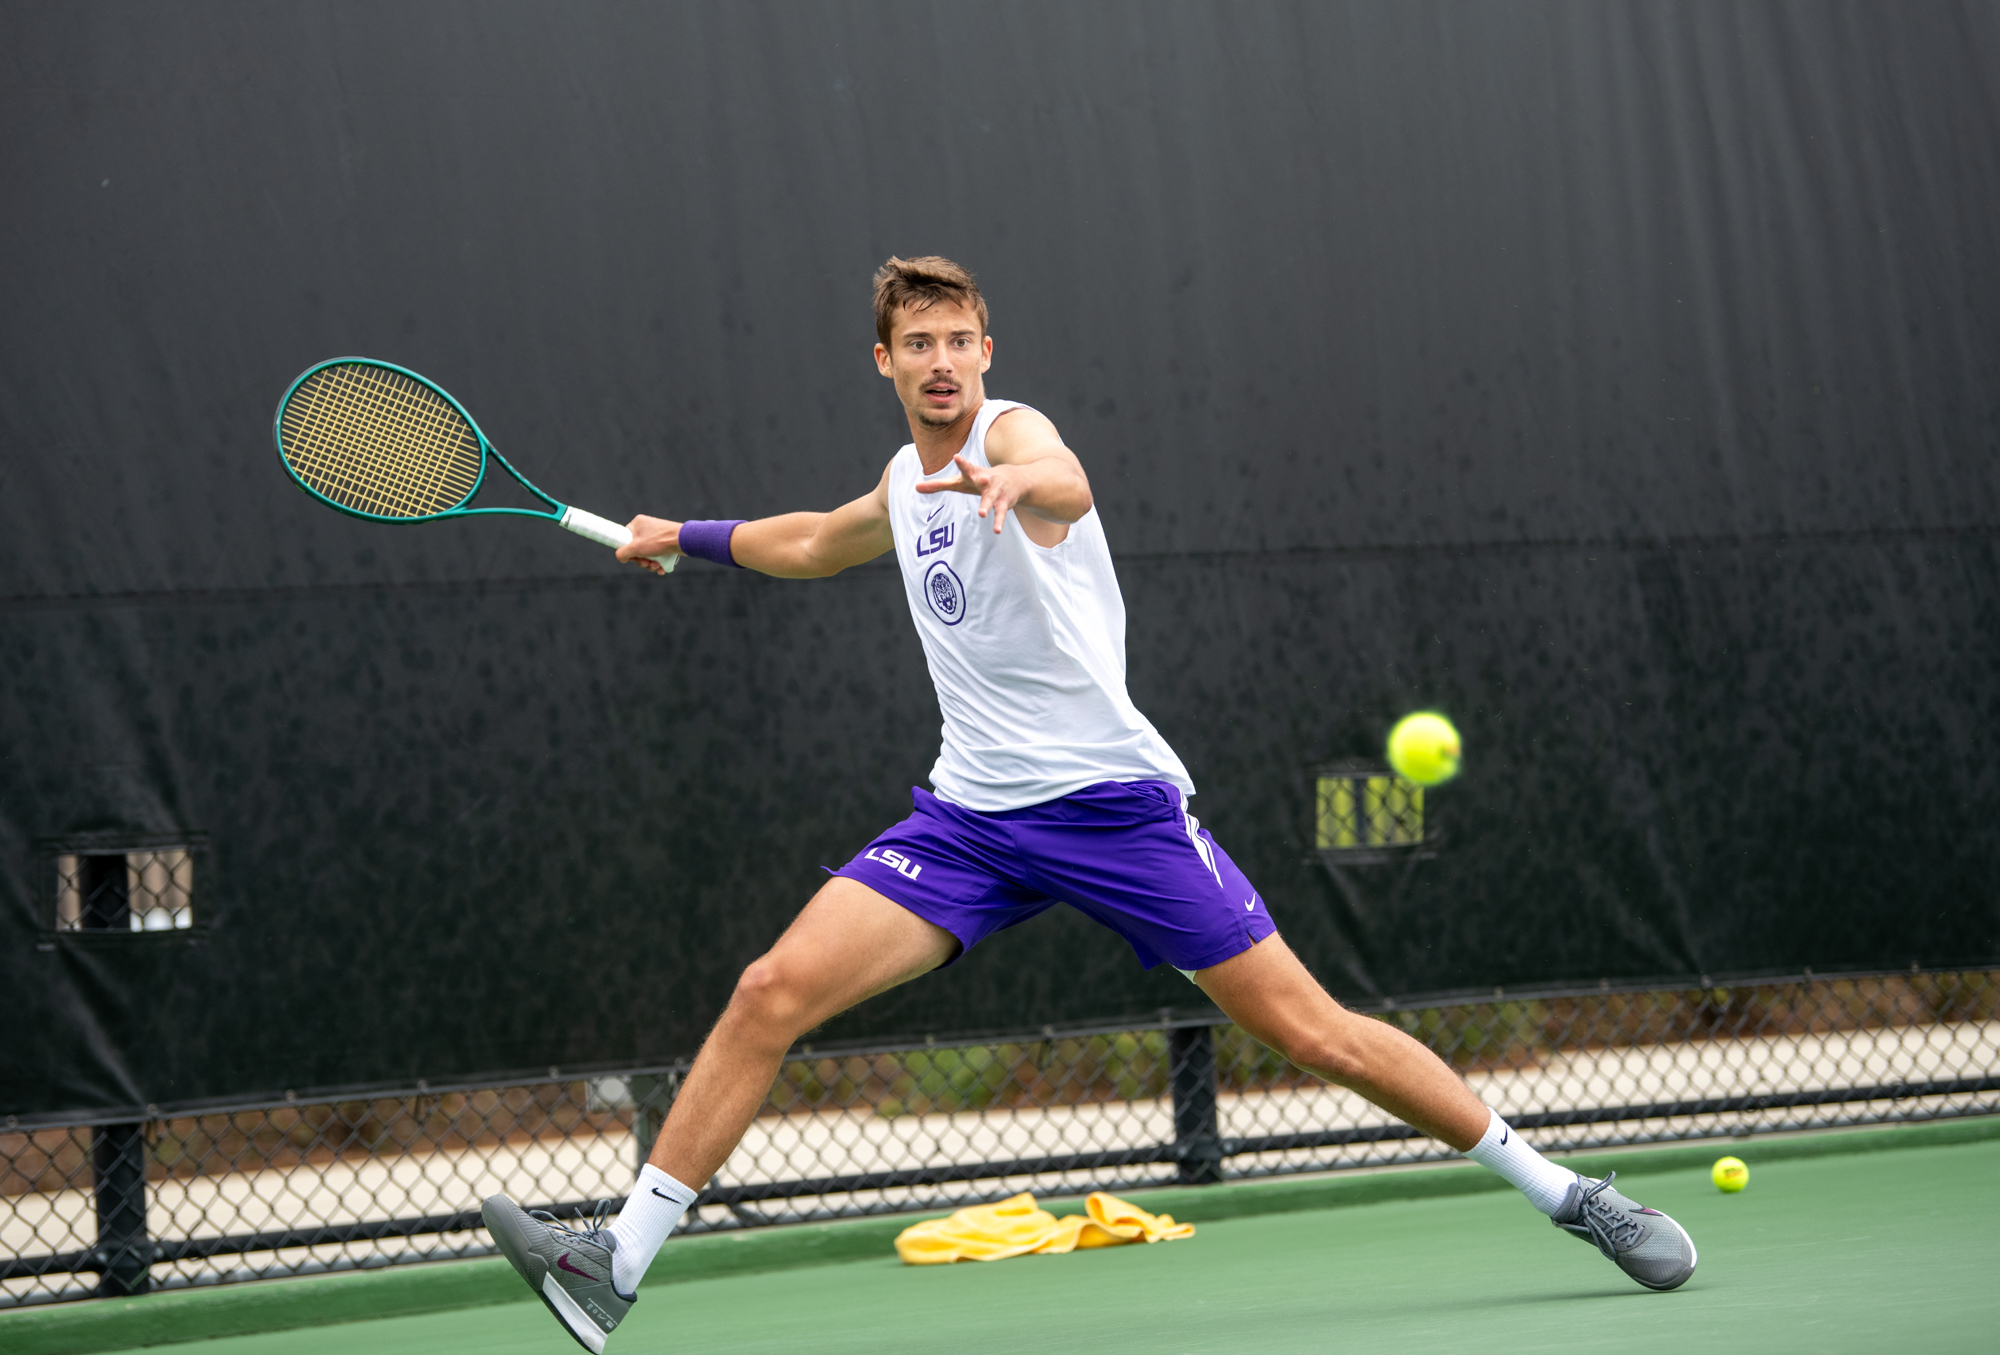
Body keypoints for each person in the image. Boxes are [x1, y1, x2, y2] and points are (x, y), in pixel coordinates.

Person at [482, 256, 1696, 1351]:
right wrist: (680, 536)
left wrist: (1017, 480)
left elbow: (1063, 476)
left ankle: (1563, 1190)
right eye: (918, 344)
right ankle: (610, 1269)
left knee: (1312, 1033)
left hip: (1114, 810)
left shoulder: (1017, 436)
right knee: (766, 990)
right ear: (885, 363)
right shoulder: (903, 481)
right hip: (969, 820)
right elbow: (810, 542)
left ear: (986, 352)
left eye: (959, 339)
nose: (941, 361)